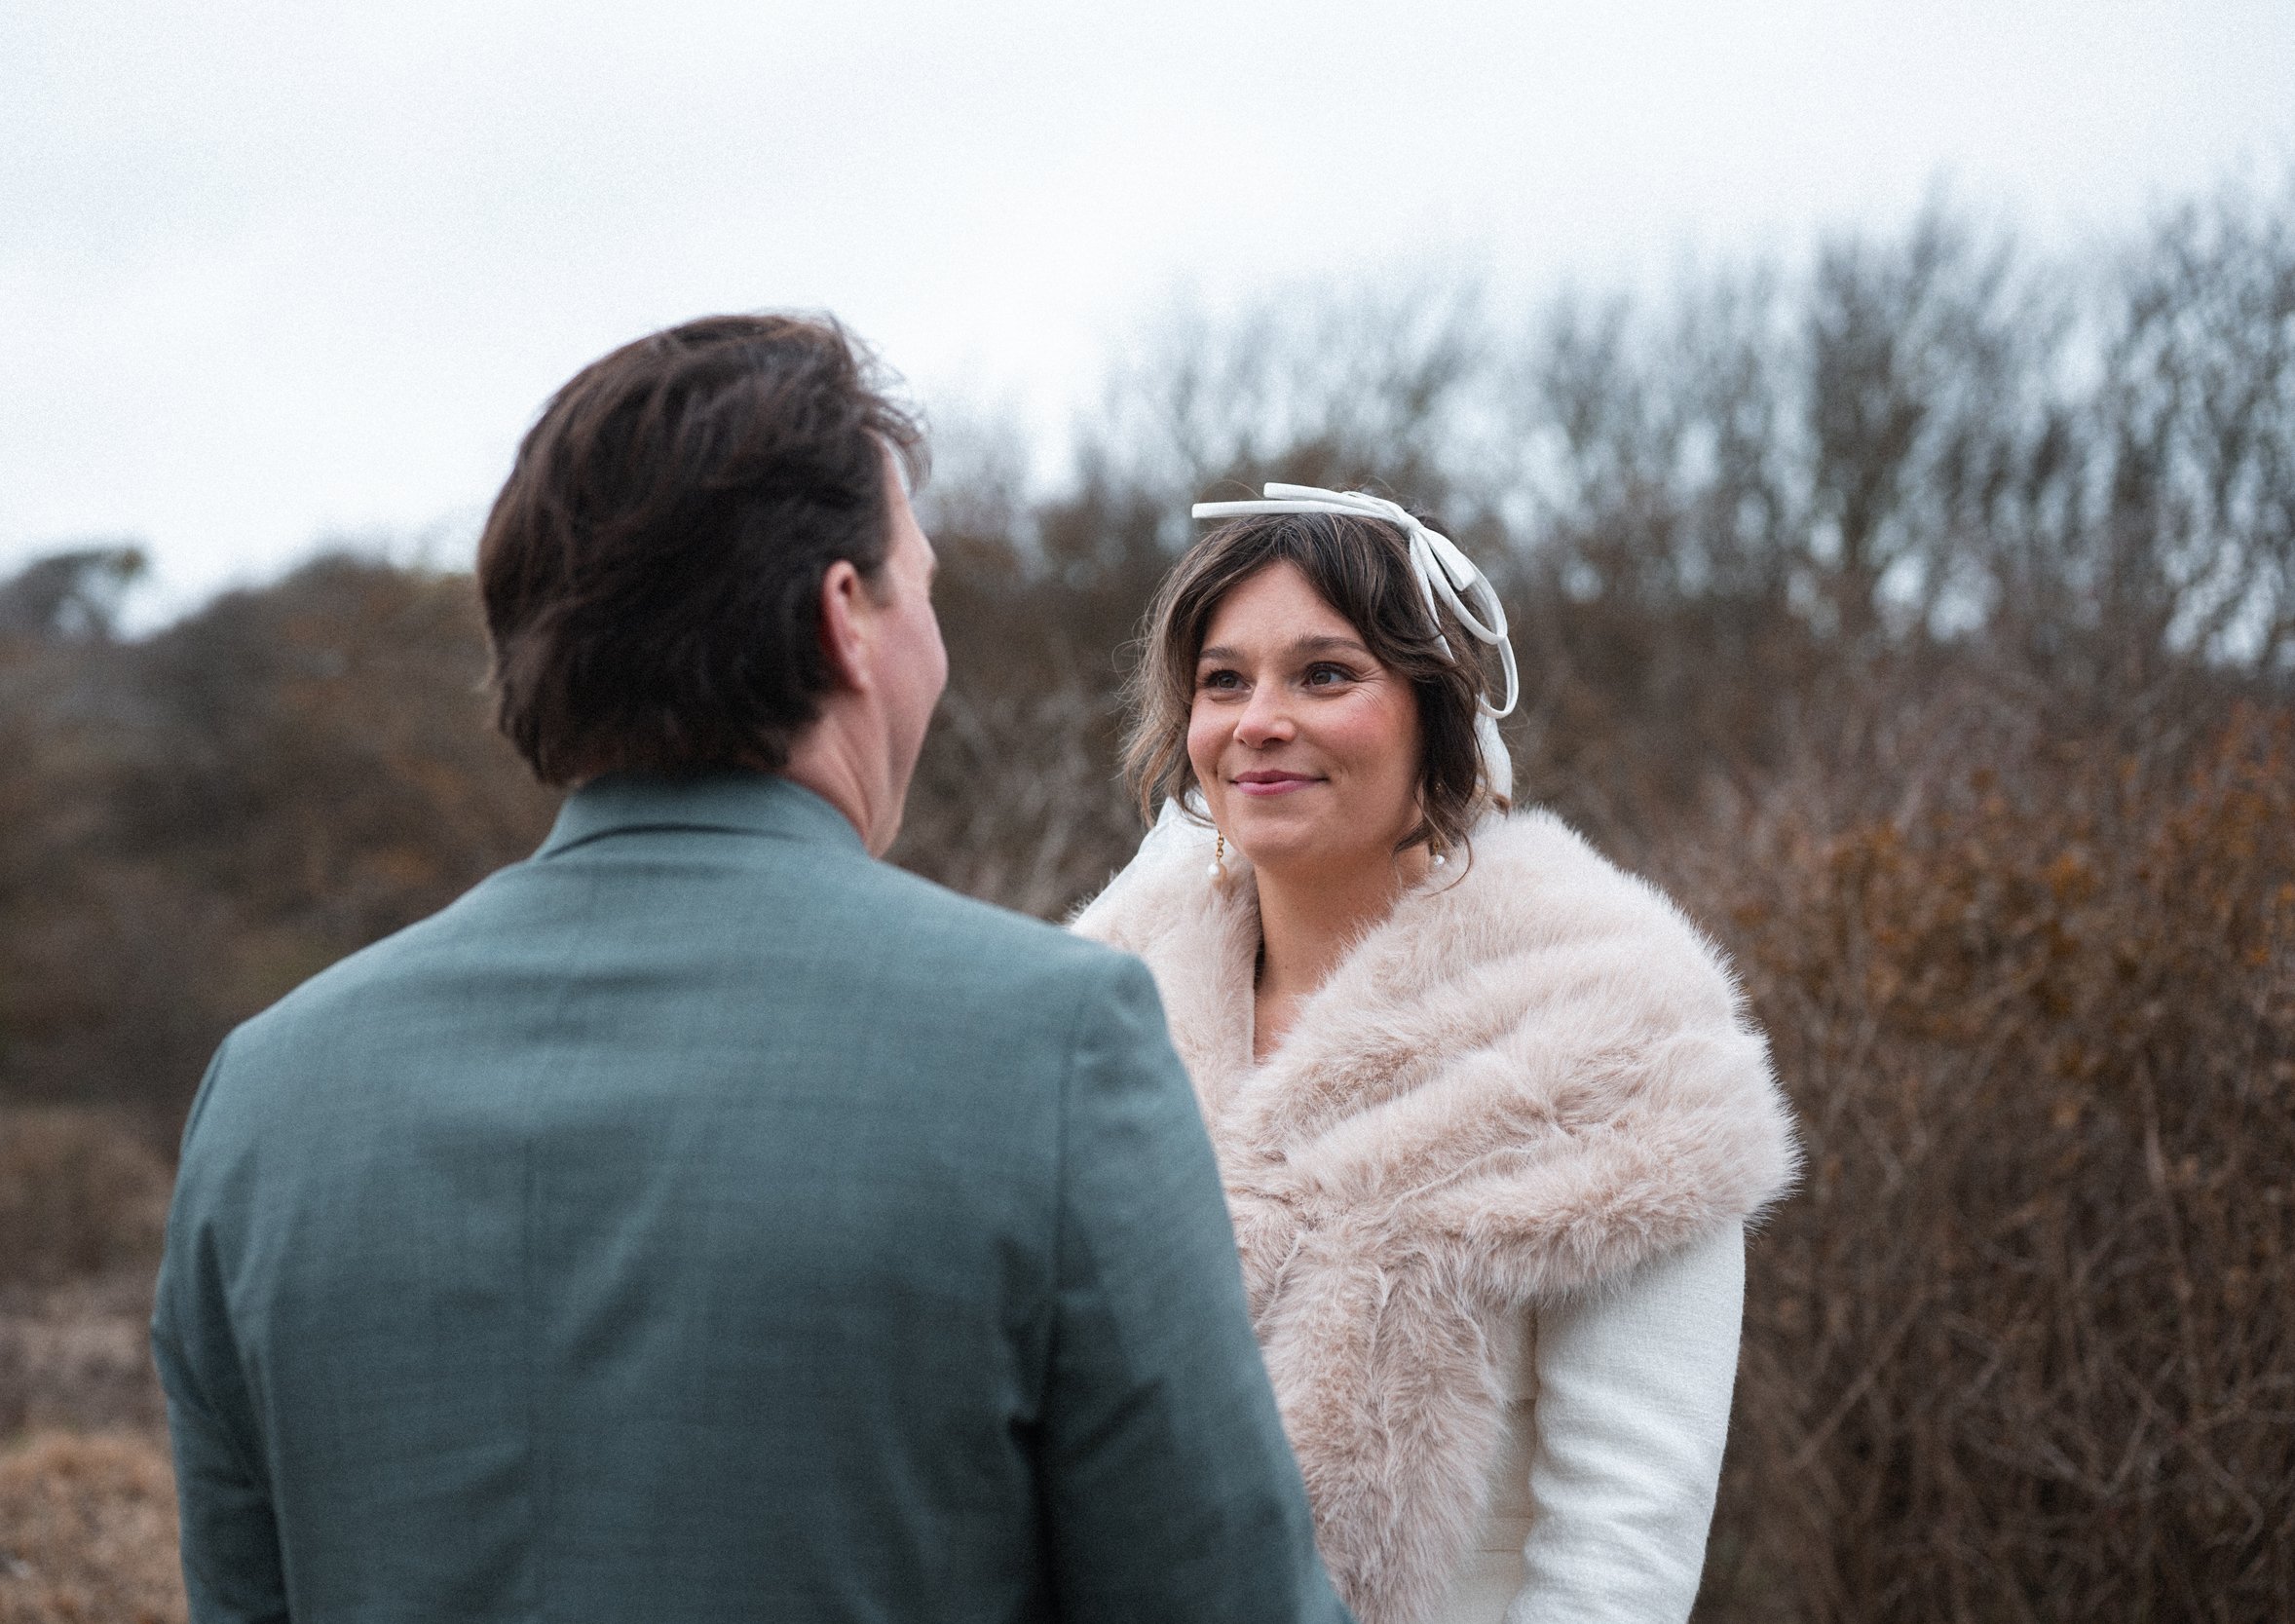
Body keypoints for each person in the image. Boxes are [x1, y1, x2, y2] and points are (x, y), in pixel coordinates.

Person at [150, 318, 1350, 1624]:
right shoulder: (1054, 1042)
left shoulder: (267, 1091)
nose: (935, 644)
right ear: (846, 618)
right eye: (922, 587)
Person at [1072, 485, 1799, 1624]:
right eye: (1223, 680)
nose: (1260, 719)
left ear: (1438, 709)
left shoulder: (1614, 1037)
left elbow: (1622, 1546)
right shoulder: (1102, 1010)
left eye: (1324, 674)